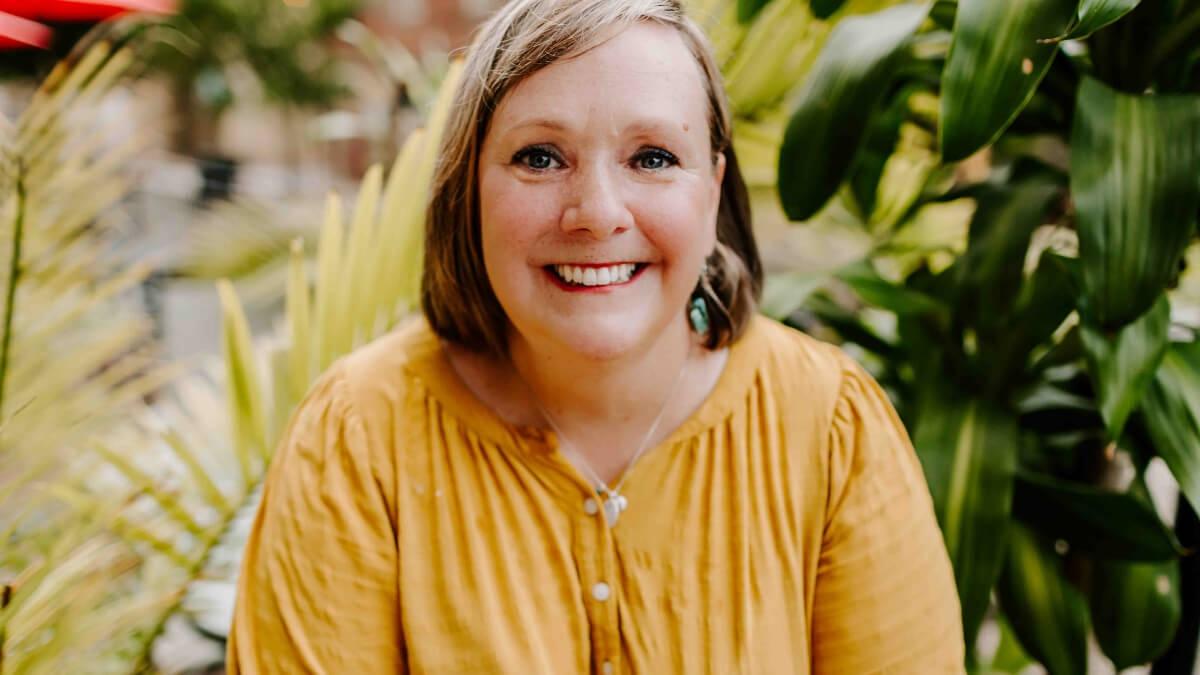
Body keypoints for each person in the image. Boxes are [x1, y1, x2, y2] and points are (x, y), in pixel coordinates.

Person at [226, 0, 966, 672]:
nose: (597, 212)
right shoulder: (358, 439)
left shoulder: (833, 431)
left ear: (710, 189)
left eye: (652, 158)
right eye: (540, 157)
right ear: (469, 187)